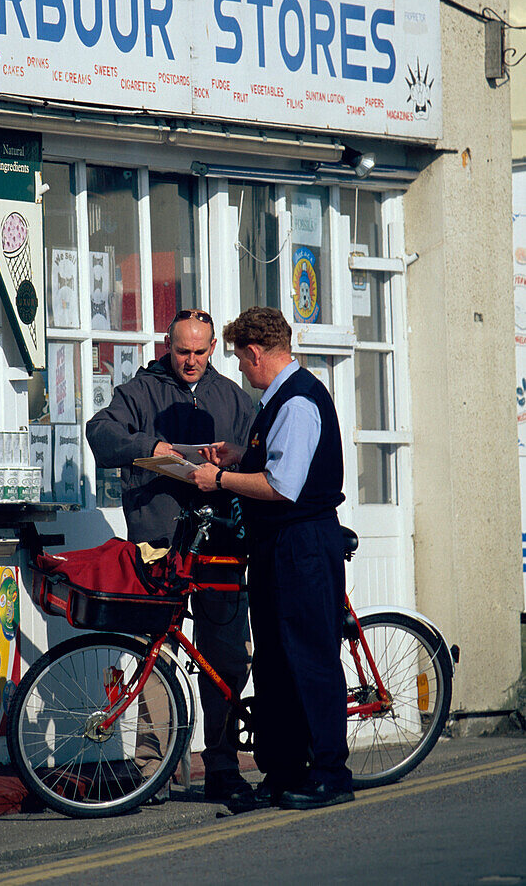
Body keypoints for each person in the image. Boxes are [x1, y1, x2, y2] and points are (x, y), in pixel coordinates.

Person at [86, 309, 255, 802]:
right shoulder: (140, 390)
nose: (192, 361)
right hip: (158, 545)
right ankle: (150, 770)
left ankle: (222, 766)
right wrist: (151, 445)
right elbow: (100, 434)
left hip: (221, 546)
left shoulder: (233, 398)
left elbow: (261, 458)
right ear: (167, 344)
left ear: (212, 349)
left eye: (202, 351)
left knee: (224, 657)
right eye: (183, 351)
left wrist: (233, 460)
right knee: (153, 656)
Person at [190, 306, 353, 811]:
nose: (240, 368)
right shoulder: (280, 398)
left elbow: (282, 486)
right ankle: (284, 771)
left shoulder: (298, 401)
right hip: (279, 547)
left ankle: (329, 773)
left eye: (240, 359)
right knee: (277, 663)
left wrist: (218, 479)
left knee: (311, 660)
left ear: (257, 353)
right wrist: (242, 455)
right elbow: (277, 463)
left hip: (301, 544)